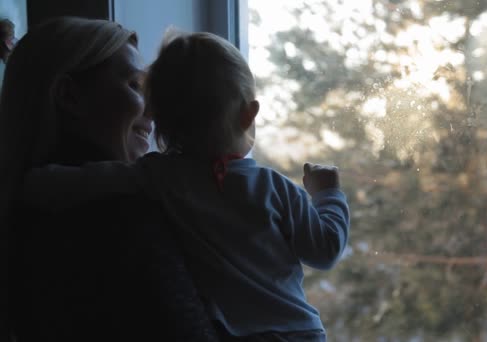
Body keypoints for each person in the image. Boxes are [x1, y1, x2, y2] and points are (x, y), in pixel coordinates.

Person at [23, 31, 350, 341]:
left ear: (157, 118)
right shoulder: (276, 188)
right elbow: (324, 249)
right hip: (298, 329)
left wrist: (33, 180)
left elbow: (84, 180)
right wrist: (328, 192)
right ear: (249, 114)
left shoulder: (157, 177)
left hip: (232, 334)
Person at [0, 17, 218, 341]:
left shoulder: (25, 212)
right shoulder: (117, 215)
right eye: (134, 86)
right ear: (70, 96)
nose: (152, 112)